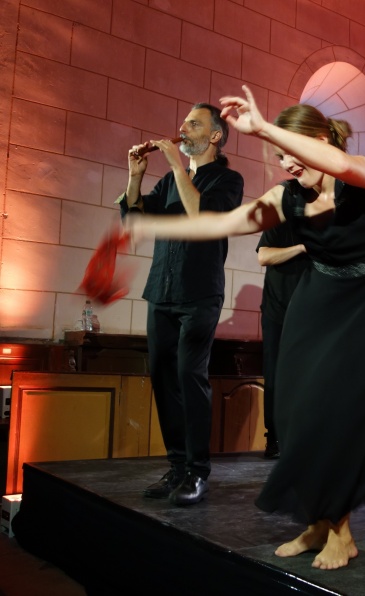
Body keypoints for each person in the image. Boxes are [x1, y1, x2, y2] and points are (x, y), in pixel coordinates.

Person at [126, 85, 365, 570]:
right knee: (297, 413)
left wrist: (265, 126)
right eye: (278, 156)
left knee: (340, 416)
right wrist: (152, 227)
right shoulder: (286, 198)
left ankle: (342, 533)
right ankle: (317, 523)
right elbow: (220, 223)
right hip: (316, 304)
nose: (286, 164)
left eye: (291, 152)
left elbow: (339, 164)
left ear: (319, 140)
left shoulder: (364, 176)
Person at [119, 103, 243, 506]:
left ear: (214, 136)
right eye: (184, 122)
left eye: (194, 123)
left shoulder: (228, 179)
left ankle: (197, 471)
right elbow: (133, 217)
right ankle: (176, 466)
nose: (182, 128)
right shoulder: (169, 182)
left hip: (200, 293)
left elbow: (201, 215)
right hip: (162, 290)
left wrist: (176, 167)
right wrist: (136, 178)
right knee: (162, 376)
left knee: (191, 376)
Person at [256, 222, 310, 458]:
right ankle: (274, 438)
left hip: (309, 313)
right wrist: (300, 248)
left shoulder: (325, 226)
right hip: (276, 312)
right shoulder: (278, 222)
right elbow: (264, 256)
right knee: (275, 375)